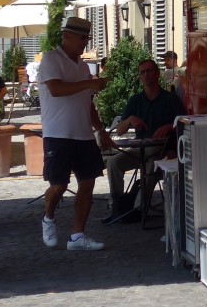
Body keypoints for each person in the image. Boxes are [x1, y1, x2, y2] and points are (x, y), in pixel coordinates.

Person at [38, 17, 110, 251]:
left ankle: (77, 235)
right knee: (58, 185)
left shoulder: (82, 66)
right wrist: (89, 84)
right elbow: (56, 89)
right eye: (81, 38)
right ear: (67, 36)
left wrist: (100, 130)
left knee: (88, 183)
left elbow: (88, 104)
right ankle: (48, 218)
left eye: (87, 38)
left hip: (83, 135)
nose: (84, 42)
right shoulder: (51, 59)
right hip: (58, 133)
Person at [104, 58, 186, 224]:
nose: (146, 75)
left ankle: (139, 207)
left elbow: (184, 123)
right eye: (142, 72)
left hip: (164, 150)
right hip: (139, 149)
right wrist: (129, 120)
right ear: (139, 77)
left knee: (151, 161)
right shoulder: (135, 100)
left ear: (157, 74)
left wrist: (170, 126)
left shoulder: (170, 99)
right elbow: (120, 130)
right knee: (113, 163)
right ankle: (117, 205)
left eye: (149, 71)